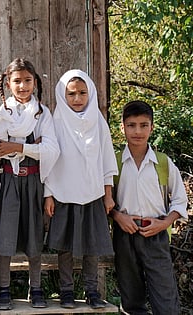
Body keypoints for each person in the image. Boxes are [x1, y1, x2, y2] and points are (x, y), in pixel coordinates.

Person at [44, 69, 117, 309]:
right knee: (65, 247)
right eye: (71, 93)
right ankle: (66, 291)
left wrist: (107, 195)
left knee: (92, 245)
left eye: (83, 93)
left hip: (93, 194)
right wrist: (49, 194)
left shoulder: (98, 121)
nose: (77, 98)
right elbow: (50, 160)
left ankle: (92, 291)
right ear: (62, 94)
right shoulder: (55, 122)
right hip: (64, 193)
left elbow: (107, 160)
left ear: (91, 93)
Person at [0, 58, 59, 310]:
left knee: (34, 234)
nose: (23, 86)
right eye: (17, 81)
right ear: (8, 84)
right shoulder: (2, 114)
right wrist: (33, 147)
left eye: (27, 80)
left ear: (35, 82)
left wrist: (18, 147)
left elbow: (52, 151)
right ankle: (4, 288)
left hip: (34, 182)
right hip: (9, 180)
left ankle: (36, 287)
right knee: (6, 235)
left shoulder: (42, 113)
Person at [110, 100, 188, 314]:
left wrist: (164, 223)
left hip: (156, 235)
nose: (138, 131)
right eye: (132, 125)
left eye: (144, 125)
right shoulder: (113, 163)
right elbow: (104, 200)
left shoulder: (162, 163)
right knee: (131, 299)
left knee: (165, 299)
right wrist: (118, 217)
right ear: (122, 127)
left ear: (152, 127)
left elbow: (180, 200)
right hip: (124, 234)